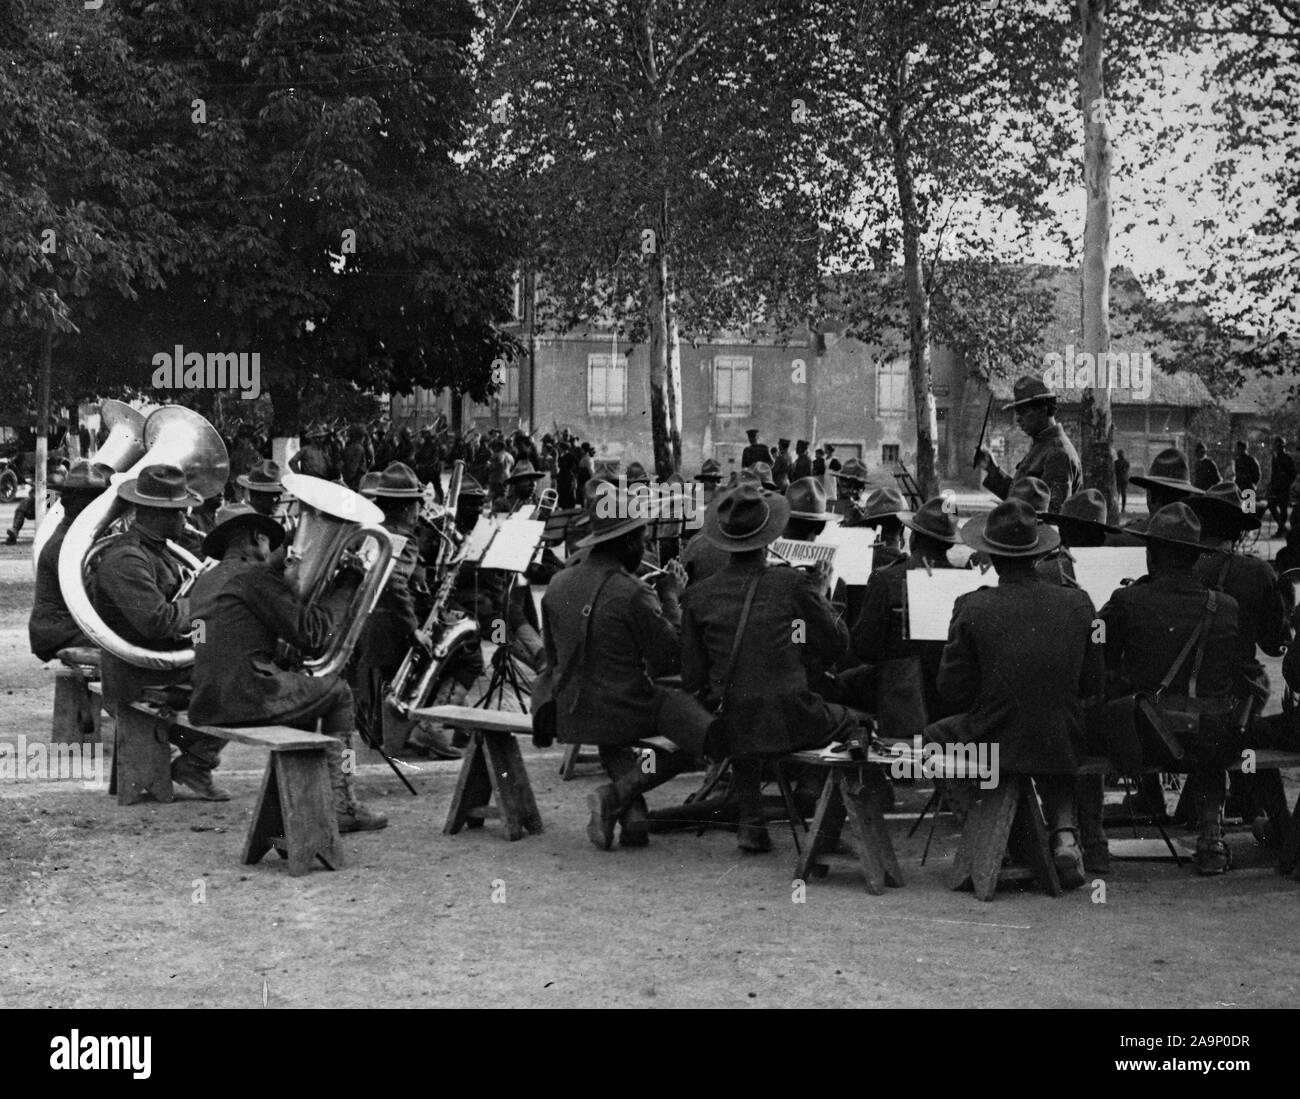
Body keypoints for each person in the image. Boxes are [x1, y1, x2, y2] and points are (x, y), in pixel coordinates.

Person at [682, 483, 862, 852]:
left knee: (743, 707)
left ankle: (752, 821)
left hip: (728, 726)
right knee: (855, 724)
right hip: (793, 718)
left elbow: (693, 677)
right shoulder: (792, 583)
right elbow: (835, 646)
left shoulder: (697, 596)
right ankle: (823, 823)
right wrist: (822, 594)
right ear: (770, 536)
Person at [935, 499, 1104, 888]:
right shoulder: (1079, 603)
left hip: (995, 738)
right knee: (1051, 723)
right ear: (1038, 554)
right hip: (1064, 738)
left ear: (991, 557)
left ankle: (994, 834)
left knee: (933, 741)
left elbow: (952, 691)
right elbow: (1093, 685)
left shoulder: (972, 604)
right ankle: (1065, 834)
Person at [188, 503, 387, 831]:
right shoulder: (254, 577)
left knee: (306, 692)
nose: (272, 551)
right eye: (269, 544)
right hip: (246, 696)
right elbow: (313, 634)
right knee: (338, 693)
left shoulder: (207, 581)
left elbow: (225, 636)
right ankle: (343, 804)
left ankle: (311, 800)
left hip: (206, 700)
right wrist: (350, 580)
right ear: (256, 538)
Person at [542, 490, 710, 851]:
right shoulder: (633, 592)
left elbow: (552, 653)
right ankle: (615, 793)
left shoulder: (556, 584)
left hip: (571, 708)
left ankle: (633, 817)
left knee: (611, 723)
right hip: (620, 707)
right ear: (629, 542)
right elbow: (670, 661)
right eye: (643, 540)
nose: (645, 549)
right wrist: (670, 599)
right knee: (702, 736)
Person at [1097, 503, 1241, 875]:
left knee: (1089, 719)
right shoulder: (1225, 607)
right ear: (1194, 558)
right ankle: (1211, 838)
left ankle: (1090, 840)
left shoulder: (1127, 601)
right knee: (1210, 720)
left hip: (1148, 738)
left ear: (1153, 553)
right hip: (1212, 740)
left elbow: (1100, 663)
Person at [91, 465, 228, 800]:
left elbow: (183, 618)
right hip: (139, 675)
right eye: (180, 512)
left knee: (231, 659)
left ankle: (191, 756)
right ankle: (196, 762)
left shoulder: (156, 550)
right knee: (241, 680)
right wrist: (200, 601)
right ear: (158, 514)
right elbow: (157, 621)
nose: (186, 520)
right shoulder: (126, 558)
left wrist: (205, 640)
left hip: (160, 664)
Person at [851, 496, 963, 726]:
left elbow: (864, 647)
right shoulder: (966, 583)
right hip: (948, 707)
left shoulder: (886, 578)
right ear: (950, 543)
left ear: (913, 536)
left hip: (897, 700)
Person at [347, 464, 427, 756]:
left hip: (365, 620)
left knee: (372, 677)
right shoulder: (403, 539)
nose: (420, 509)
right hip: (388, 624)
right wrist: (413, 627)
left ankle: (374, 731)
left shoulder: (374, 531)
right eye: (417, 503)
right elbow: (394, 580)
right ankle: (410, 732)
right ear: (408, 508)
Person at [29, 461, 113, 662]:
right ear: (77, 505)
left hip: (68, 627)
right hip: (59, 632)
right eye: (93, 502)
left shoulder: (78, 537)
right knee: (143, 642)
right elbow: (98, 597)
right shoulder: (66, 544)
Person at [975, 376, 1082, 513]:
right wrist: (993, 470)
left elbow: (1050, 515)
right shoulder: (1042, 445)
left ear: (1043, 409)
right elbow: (1025, 498)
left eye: (1023, 411)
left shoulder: (1057, 453)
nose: (1018, 419)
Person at [236, 459, 288, 525]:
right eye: (274, 494)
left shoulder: (277, 521)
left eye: (280, 494)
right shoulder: (245, 523)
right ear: (256, 496)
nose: (279, 499)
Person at [1266, 437, 1296, 534]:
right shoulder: (1275, 458)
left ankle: (1280, 529)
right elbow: (1273, 473)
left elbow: (1293, 473)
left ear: (1283, 447)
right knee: (1271, 506)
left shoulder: (1288, 458)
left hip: (1284, 488)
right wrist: (1271, 484)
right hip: (1275, 487)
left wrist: (1287, 482)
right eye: (1276, 446)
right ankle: (1281, 526)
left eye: (1280, 446)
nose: (1278, 448)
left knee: (1283, 509)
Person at [342, 425, 370, 493]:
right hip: (355, 484)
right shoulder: (359, 448)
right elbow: (352, 468)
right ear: (361, 437)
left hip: (350, 482)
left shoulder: (349, 446)